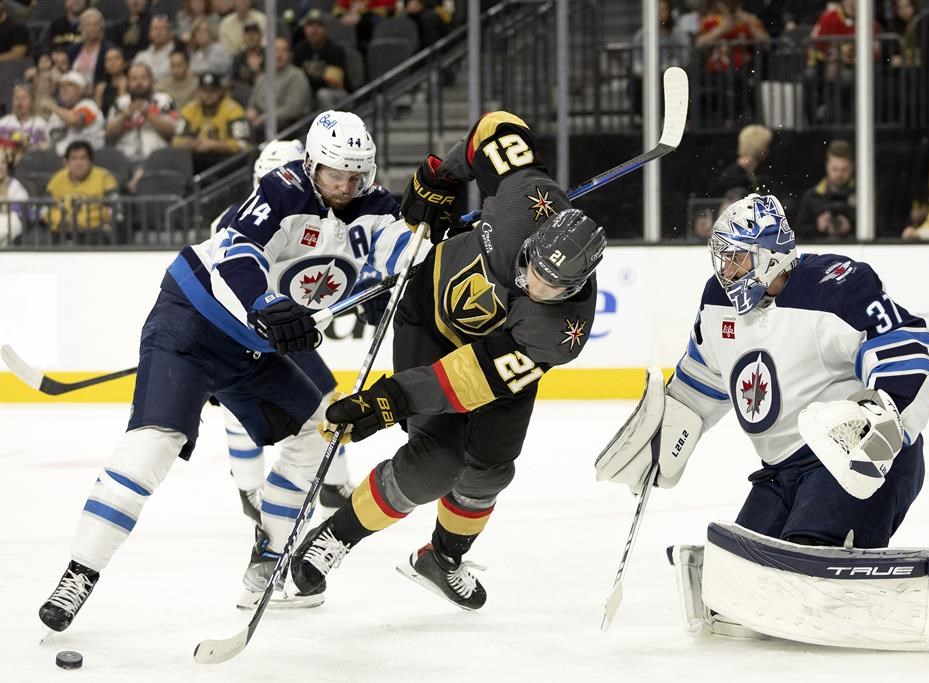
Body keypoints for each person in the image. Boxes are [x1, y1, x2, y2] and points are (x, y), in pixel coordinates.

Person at [38, 110, 420, 632]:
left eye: (358, 174)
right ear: (312, 165)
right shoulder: (284, 188)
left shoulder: (372, 207)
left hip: (250, 349)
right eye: (337, 174)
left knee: (318, 429)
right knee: (157, 442)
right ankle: (78, 575)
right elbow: (238, 249)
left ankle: (267, 559)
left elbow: (402, 252)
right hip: (191, 323)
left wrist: (440, 244)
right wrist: (264, 302)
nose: (348, 185)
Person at [591, 194, 929, 655]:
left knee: (807, 549)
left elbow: (910, 349)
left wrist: (882, 413)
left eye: (737, 257)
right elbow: (698, 381)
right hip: (780, 472)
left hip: (854, 459)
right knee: (746, 567)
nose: (726, 270)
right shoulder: (716, 303)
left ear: (771, 254)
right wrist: (661, 436)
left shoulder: (836, 286)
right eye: (722, 257)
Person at [288, 111, 607, 611]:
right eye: (533, 271)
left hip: (491, 362)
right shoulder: (526, 199)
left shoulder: (559, 332)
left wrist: (391, 399)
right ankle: (335, 538)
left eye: (554, 287)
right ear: (531, 245)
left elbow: (469, 379)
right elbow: (497, 127)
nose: (536, 287)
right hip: (428, 320)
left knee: (491, 469)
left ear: (580, 284)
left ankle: (443, 557)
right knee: (436, 462)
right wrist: (442, 173)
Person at [208, 139, 362, 525]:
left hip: (287, 330)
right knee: (238, 409)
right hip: (242, 333)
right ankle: (248, 489)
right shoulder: (234, 221)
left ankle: (333, 482)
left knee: (325, 401)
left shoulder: (317, 219)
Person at [42, 140, 119, 243]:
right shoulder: (57, 179)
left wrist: (80, 221)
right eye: (74, 159)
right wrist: (62, 220)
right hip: (62, 229)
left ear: (91, 161)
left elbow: (114, 211)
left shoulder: (104, 178)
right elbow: (44, 209)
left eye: (83, 158)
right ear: (66, 162)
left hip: (93, 231)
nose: (79, 163)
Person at [173, 72, 250, 172]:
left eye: (212, 91)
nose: (208, 95)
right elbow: (175, 141)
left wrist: (214, 145)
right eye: (204, 91)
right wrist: (190, 143)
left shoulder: (233, 110)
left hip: (226, 162)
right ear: (198, 92)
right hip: (196, 159)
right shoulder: (190, 109)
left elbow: (243, 145)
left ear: (220, 91)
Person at [105, 63, 178, 167]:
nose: (139, 82)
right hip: (125, 162)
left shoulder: (164, 100)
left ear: (152, 80)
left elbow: (173, 131)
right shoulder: (120, 103)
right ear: (128, 82)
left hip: (158, 160)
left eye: (143, 78)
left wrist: (148, 114)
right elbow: (109, 134)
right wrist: (124, 116)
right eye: (134, 79)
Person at [247, 37, 313, 133]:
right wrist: (251, 112)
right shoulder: (263, 77)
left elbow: (293, 109)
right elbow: (252, 103)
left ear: (290, 55)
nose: (279, 55)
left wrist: (264, 118)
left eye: (284, 51)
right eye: (275, 50)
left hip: (287, 127)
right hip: (262, 123)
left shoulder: (296, 76)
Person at [794, 139, 855, 241]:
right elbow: (797, 233)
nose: (839, 174)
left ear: (852, 167)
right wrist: (817, 227)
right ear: (827, 165)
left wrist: (852, 227)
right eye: (835, 169)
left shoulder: (863, 196)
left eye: (844, 170)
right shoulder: (812, 196)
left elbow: (881, 229)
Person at [40, 71, 106, 157]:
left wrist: (53, 107)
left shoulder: (89, 106)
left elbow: (74, 120)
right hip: (61, 161)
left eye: (70, 85)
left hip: (89, 160)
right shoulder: (57, 114)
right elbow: (50, 140)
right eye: (61, 86)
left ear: (81, 89)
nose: (64, 89)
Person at [708, 123, 772, 198]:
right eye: (767, 146)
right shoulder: (735, 177)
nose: (768, 150)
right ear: (759, 146)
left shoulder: (744, 173)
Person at [0, 84, 50, 152]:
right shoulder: (3, 123)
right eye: (17, 98)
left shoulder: (41, 125)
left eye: (24, 98)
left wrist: (27, 142)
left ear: (32, 102)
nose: (19, 102)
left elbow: (48, 147)